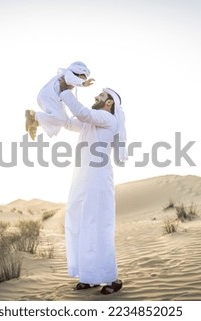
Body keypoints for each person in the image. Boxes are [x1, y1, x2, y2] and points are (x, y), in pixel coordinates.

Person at [59, 77, 127, 295]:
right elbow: (70, 122)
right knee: (82, 225)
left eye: (101, 95)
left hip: (98, 182)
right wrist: (51, 108)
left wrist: (65, 91)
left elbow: (83, 113)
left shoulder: (107, 119)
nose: (96, 96)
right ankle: (89, 277)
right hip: (83, 180)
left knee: (99, 228)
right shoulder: (92, 121)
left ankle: (112, 279)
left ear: (109, 103)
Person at [25, 61, 95, 140]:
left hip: (53, 98)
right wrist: (84, 83)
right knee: (60, 118)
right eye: (83, 78)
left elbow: (67, 122)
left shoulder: (66, 77)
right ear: (78, 72)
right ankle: (33, 116)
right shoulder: (68, 74)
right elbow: (71, 79)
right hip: (49, 96)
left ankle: (35, 123)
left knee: (63, 120)